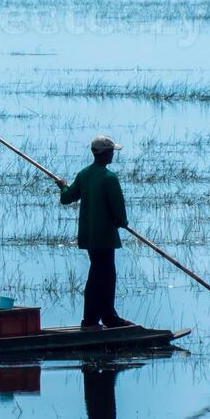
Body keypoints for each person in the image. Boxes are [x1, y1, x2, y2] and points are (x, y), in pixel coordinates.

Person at [57, 135, 132, 329]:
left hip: (89, 237)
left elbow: (67, 198)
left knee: (97, 274)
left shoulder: (84, 174)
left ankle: (100, 317)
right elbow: (119, 210)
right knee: (105, 276)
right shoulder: (109, 178)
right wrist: (122, 222)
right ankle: (100, 319)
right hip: (105, 237)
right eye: (111, 152)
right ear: (105, 154)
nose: (113, 155)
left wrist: (63, 186)